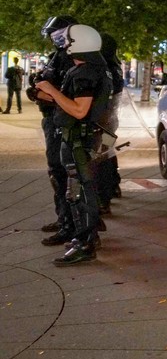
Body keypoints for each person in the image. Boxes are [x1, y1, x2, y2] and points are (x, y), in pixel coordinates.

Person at [35, 24, 113, 266]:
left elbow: (80, 110)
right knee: (77, 191)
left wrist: (50, 90)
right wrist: (45, 93)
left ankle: (86, 243)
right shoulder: (88, 70)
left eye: (67, 42)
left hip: (79, 140)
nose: (63, 46)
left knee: (79, 192)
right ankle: (83, 240)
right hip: (78, 138)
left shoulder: (86, 73)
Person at [28, 16, 79, 239]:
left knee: (62, 172)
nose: (52, 39)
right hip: (52, 119)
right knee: (56, 172)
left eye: (55, 34)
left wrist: (45, 94)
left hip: (62, 121)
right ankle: (64, 220)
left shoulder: (72, 58)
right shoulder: (59, 56)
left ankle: (70, 225)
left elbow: (69, 95)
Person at [95, 32, 126, 213]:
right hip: (110, 123)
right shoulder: (115, 66)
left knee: (102, 158)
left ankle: (104, 197)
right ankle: (113, 185)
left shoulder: (104, 69)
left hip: (102, 122)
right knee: (108, 155)